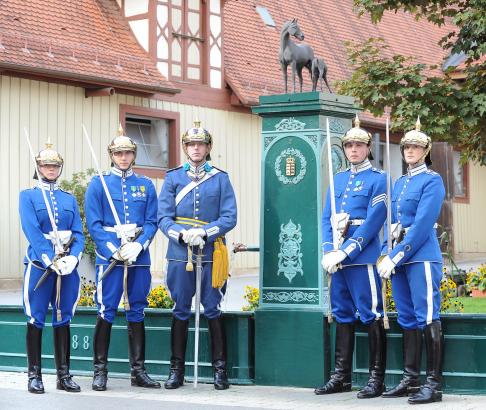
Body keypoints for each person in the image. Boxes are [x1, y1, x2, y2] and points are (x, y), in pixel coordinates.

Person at [158, 119, 237, 390]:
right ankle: (176, 370)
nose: (195, 148)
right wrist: (180, 234)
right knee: (180, 309)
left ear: (208, 147)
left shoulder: (220, 178)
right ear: (185, 147)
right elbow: (163, 218)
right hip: (180, 252)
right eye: (191, 144)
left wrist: (207, 233)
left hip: (212, 250)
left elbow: (229, 217)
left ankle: (219, 370)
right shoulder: (173, 177)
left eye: (200, 144)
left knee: (213, 308)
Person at [315, 115, 387, 398]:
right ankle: (341, 376)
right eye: (349, 146)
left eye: (359, 145)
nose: (353, 150)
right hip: (337, 258)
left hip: (362, 256)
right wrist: (327, 250)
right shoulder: (339, 179)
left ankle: (376, 377)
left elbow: (373, 221)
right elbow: (325, 218)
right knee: (342, 314)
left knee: (371, 314)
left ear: (368, 148)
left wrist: (347, 250)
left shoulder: (379, 179)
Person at [85, 127, 160, 391]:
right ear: (111, 155)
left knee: (136, 309)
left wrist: (140, 245)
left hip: (138, 256)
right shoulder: (99, 184)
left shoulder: (146, 184)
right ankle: (100, 371)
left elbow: (152, 221)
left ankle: (138, 371)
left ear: (133, 154)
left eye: (128, 152)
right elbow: (93, 224)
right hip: (112, 256)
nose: (124, 157)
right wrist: (110, 249)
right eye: (119, 153)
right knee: (106, 309)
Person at [378, 118, 445, 404]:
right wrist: (386, 249)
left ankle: (433, 384)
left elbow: (421, 225)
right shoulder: (400, 182)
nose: (409, 150)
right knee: (406, 317)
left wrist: (397, 254)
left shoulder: (432, 180)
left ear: (425, 150)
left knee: (427, 315)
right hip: (400, 258)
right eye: (406, 146)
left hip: (420, 256)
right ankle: (410, 378)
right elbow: (392, 222)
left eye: (416, 147)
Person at [19, 140, 85, 394]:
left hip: (66, 267)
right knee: (36, 318)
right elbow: (32, 232)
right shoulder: (28, 196)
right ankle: (34, 375)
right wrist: (49, 258)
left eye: (55, 165)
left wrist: (74, 257)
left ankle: (63, 375)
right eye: (46, 165)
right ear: (39, 167)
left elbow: (78, 233)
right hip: (40, 266)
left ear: (60, 168)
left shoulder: (67, 198)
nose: (50, 169)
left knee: (63, 317)